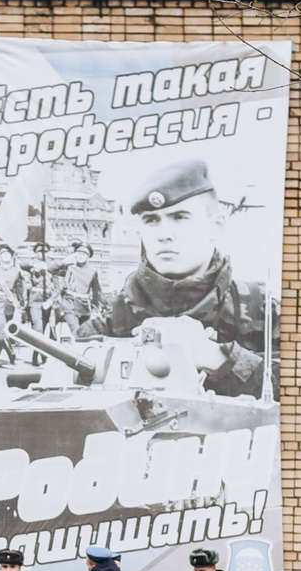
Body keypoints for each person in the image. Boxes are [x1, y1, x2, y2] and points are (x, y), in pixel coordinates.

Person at [90, 157, 271, 398]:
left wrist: (216, 356)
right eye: (151, 220)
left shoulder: (261, 310)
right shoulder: (114, 320)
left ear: (216, 226)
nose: (164, 234)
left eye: (180, 217)